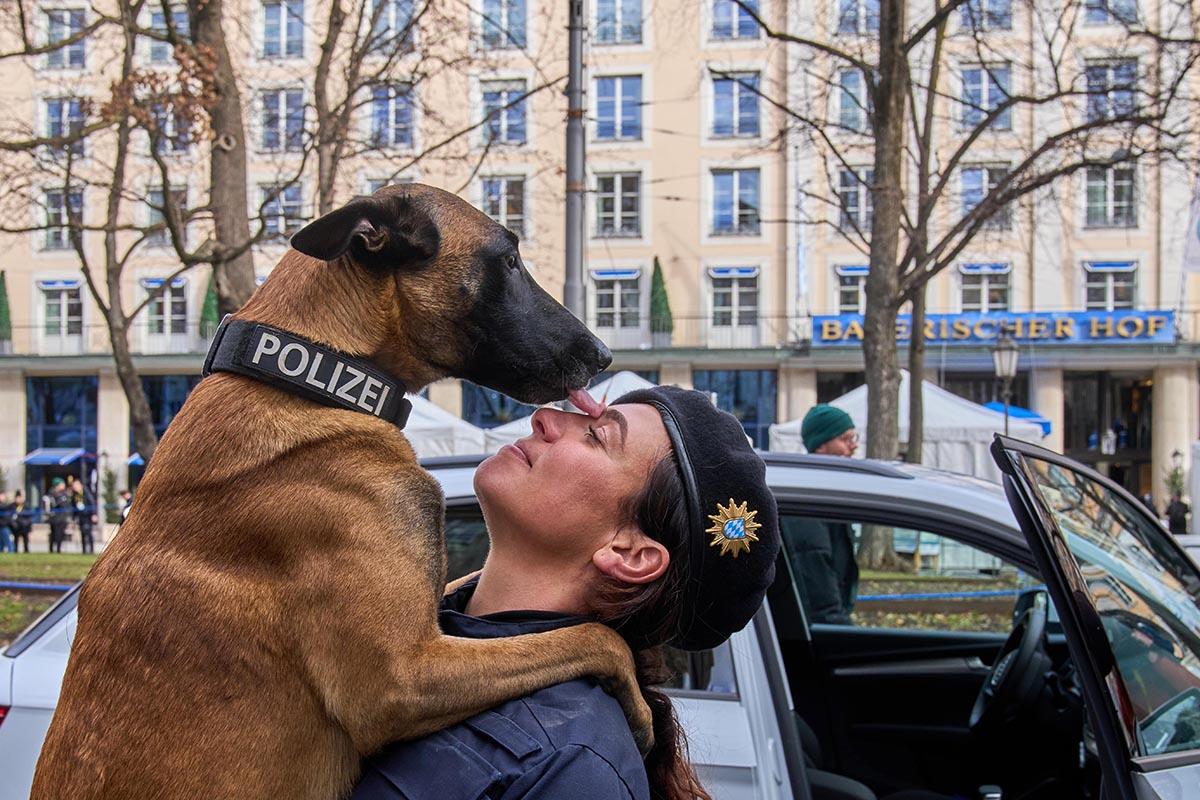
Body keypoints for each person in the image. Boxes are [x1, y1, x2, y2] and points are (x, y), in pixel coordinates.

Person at [352, 386, 780, 800]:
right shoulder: (384, 627)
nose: (544, 417)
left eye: (596, 435)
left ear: (629, 554)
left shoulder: (571, 767)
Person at [783, 404, 860, 624]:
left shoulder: (826, 495)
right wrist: (843, 633)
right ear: (821, 446)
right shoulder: (811, 503)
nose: (853, 446)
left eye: (854, 437)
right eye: (845, 439)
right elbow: (820, 596)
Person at [45, 478, 74, 553]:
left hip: (62, 517)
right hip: (54, 517)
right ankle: (51, 550)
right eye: (62, 484)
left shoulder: (65, 494)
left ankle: (58, 549)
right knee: (54, 534)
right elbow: (53, 505)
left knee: (60, 534)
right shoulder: (52, 494)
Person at [70, 475, 97, 554]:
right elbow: (73, 506)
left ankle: (91, 550)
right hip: (80, 516)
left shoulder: (86, 492)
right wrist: (73, 517)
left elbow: (92, 502)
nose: (75, 487)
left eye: (76, 485)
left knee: (88, 532)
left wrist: (93, 514)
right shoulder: (74, 495)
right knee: (82, 532)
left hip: (87, 515)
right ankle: (84, 550)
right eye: (74, 486)